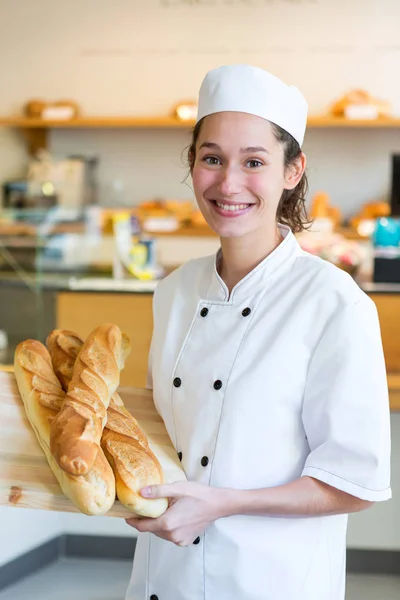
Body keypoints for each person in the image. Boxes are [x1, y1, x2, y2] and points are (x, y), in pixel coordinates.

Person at [124, 65, 391, 600]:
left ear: (292, 171)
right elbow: (164, 424)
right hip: (163, 576)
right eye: (212, 159)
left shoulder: (334, 304)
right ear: (193, 164)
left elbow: (353, 483)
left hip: (271, 580)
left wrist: (222, 503)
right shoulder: (174, 291)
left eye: (254, 162)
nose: (228, 184)